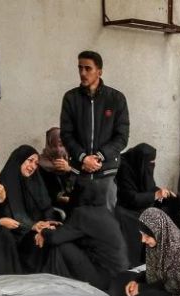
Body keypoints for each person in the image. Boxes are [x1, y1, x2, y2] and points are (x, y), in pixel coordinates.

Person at [59, 50, 129, 211]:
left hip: (105, 172)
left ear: (99, 71)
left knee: (105, 223)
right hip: (79, 173)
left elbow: (122, 137)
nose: (83, 73)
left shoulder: (116, 99)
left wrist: (98, 157)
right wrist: (83, 158)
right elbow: (66, 134)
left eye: (88, 68)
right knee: (79, 221)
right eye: (80, 68)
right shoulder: (71, 98)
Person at [39, 182, 128, 291]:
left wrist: (43, 230)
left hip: (103, 280)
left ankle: (51, 285)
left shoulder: (83, 213)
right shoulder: (105, 212)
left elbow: (54, 239)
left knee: (61, 246)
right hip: (118, 277)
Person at [0, 145, 60, 273]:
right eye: (29, 161)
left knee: (56, 237)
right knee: (38, 244)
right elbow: (8, 216)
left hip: (37, 228)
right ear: (19, 160)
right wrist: (33, 226)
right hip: (17, 235)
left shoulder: (35, 181)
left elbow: (47, 207)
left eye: (36, 163)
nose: (33, 167)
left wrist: (47, 225)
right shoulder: (4, 183)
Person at [116, 143, 178, 263]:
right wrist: (155, 195)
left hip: (141, 209)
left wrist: (163, 193)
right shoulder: (125, 170)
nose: (152, 166)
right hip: (127, 212)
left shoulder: (142, 167)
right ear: (140, 161)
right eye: (150, 163)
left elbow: (149, 187)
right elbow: (130, 198)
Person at [38, 127, 75, 212]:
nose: (58, 150)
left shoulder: (73, 159)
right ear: (48, 145)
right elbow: (40, 191)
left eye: (61, 145)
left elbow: (83, 180)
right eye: (54, 146)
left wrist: (69, 169)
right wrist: (57, 197)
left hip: (75, 203)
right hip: (53, 208)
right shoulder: (40, 164)